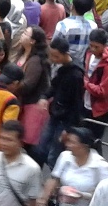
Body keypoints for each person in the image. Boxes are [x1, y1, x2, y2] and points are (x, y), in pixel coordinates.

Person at [36, 37, 85, 169]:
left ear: (65, 54)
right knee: (41, 148)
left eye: (56, 56)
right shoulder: (63, 69)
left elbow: (76, 104)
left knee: (54, 155)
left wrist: (68, 129)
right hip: (56, 115)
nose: (53, 59)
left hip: (65, 120)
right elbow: (54, 87)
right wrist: (44, 96)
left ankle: (56, 183)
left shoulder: (75, 76)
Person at [37, 127, 108, 206]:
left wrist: (82, 195)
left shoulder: (101, 166)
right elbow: (54, 179)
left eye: (72, 142)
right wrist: (44, 198)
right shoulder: (65, 156)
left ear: (84, 146)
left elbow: (106, 194)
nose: (67, 145)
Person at [0, 121, 42, 206]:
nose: (3, 143)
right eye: (1, 138)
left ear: (20, 143)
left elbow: (32, 201)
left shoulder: (32, 168)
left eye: (9, 140)